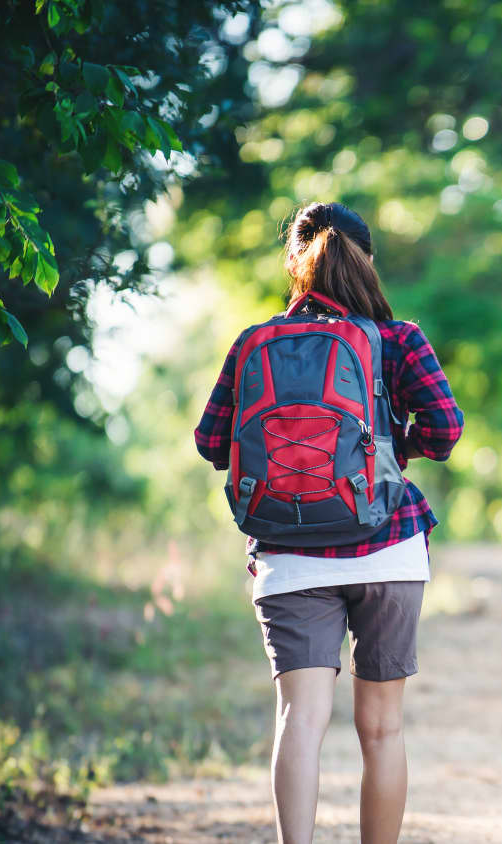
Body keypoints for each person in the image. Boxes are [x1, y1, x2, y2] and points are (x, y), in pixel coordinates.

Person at [194, 201, 463, 843]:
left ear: (296, 262)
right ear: (367, 261)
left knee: (300, 719)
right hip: (389, 547)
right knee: (382, 730)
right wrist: (389, 450)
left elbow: (211, 443)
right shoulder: (398, 339)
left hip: (289, 556)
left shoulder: (254, 342)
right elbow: (446, 429)